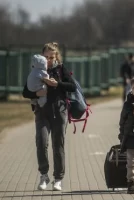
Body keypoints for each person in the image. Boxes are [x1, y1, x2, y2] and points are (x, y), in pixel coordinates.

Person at [22, 42, 76, 191]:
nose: (49, 60)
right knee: (41, 142)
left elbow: (72, 86)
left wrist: (57, 84)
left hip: (59, 111)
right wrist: (36, 94)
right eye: (46, 57)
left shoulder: (60, 69)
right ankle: (44, 175)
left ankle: (58, 178)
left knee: (58, 145)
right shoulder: (36, 71)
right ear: (41, 57)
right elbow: (25, 92)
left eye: (52, 57)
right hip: (41, 112)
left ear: (56, 56)